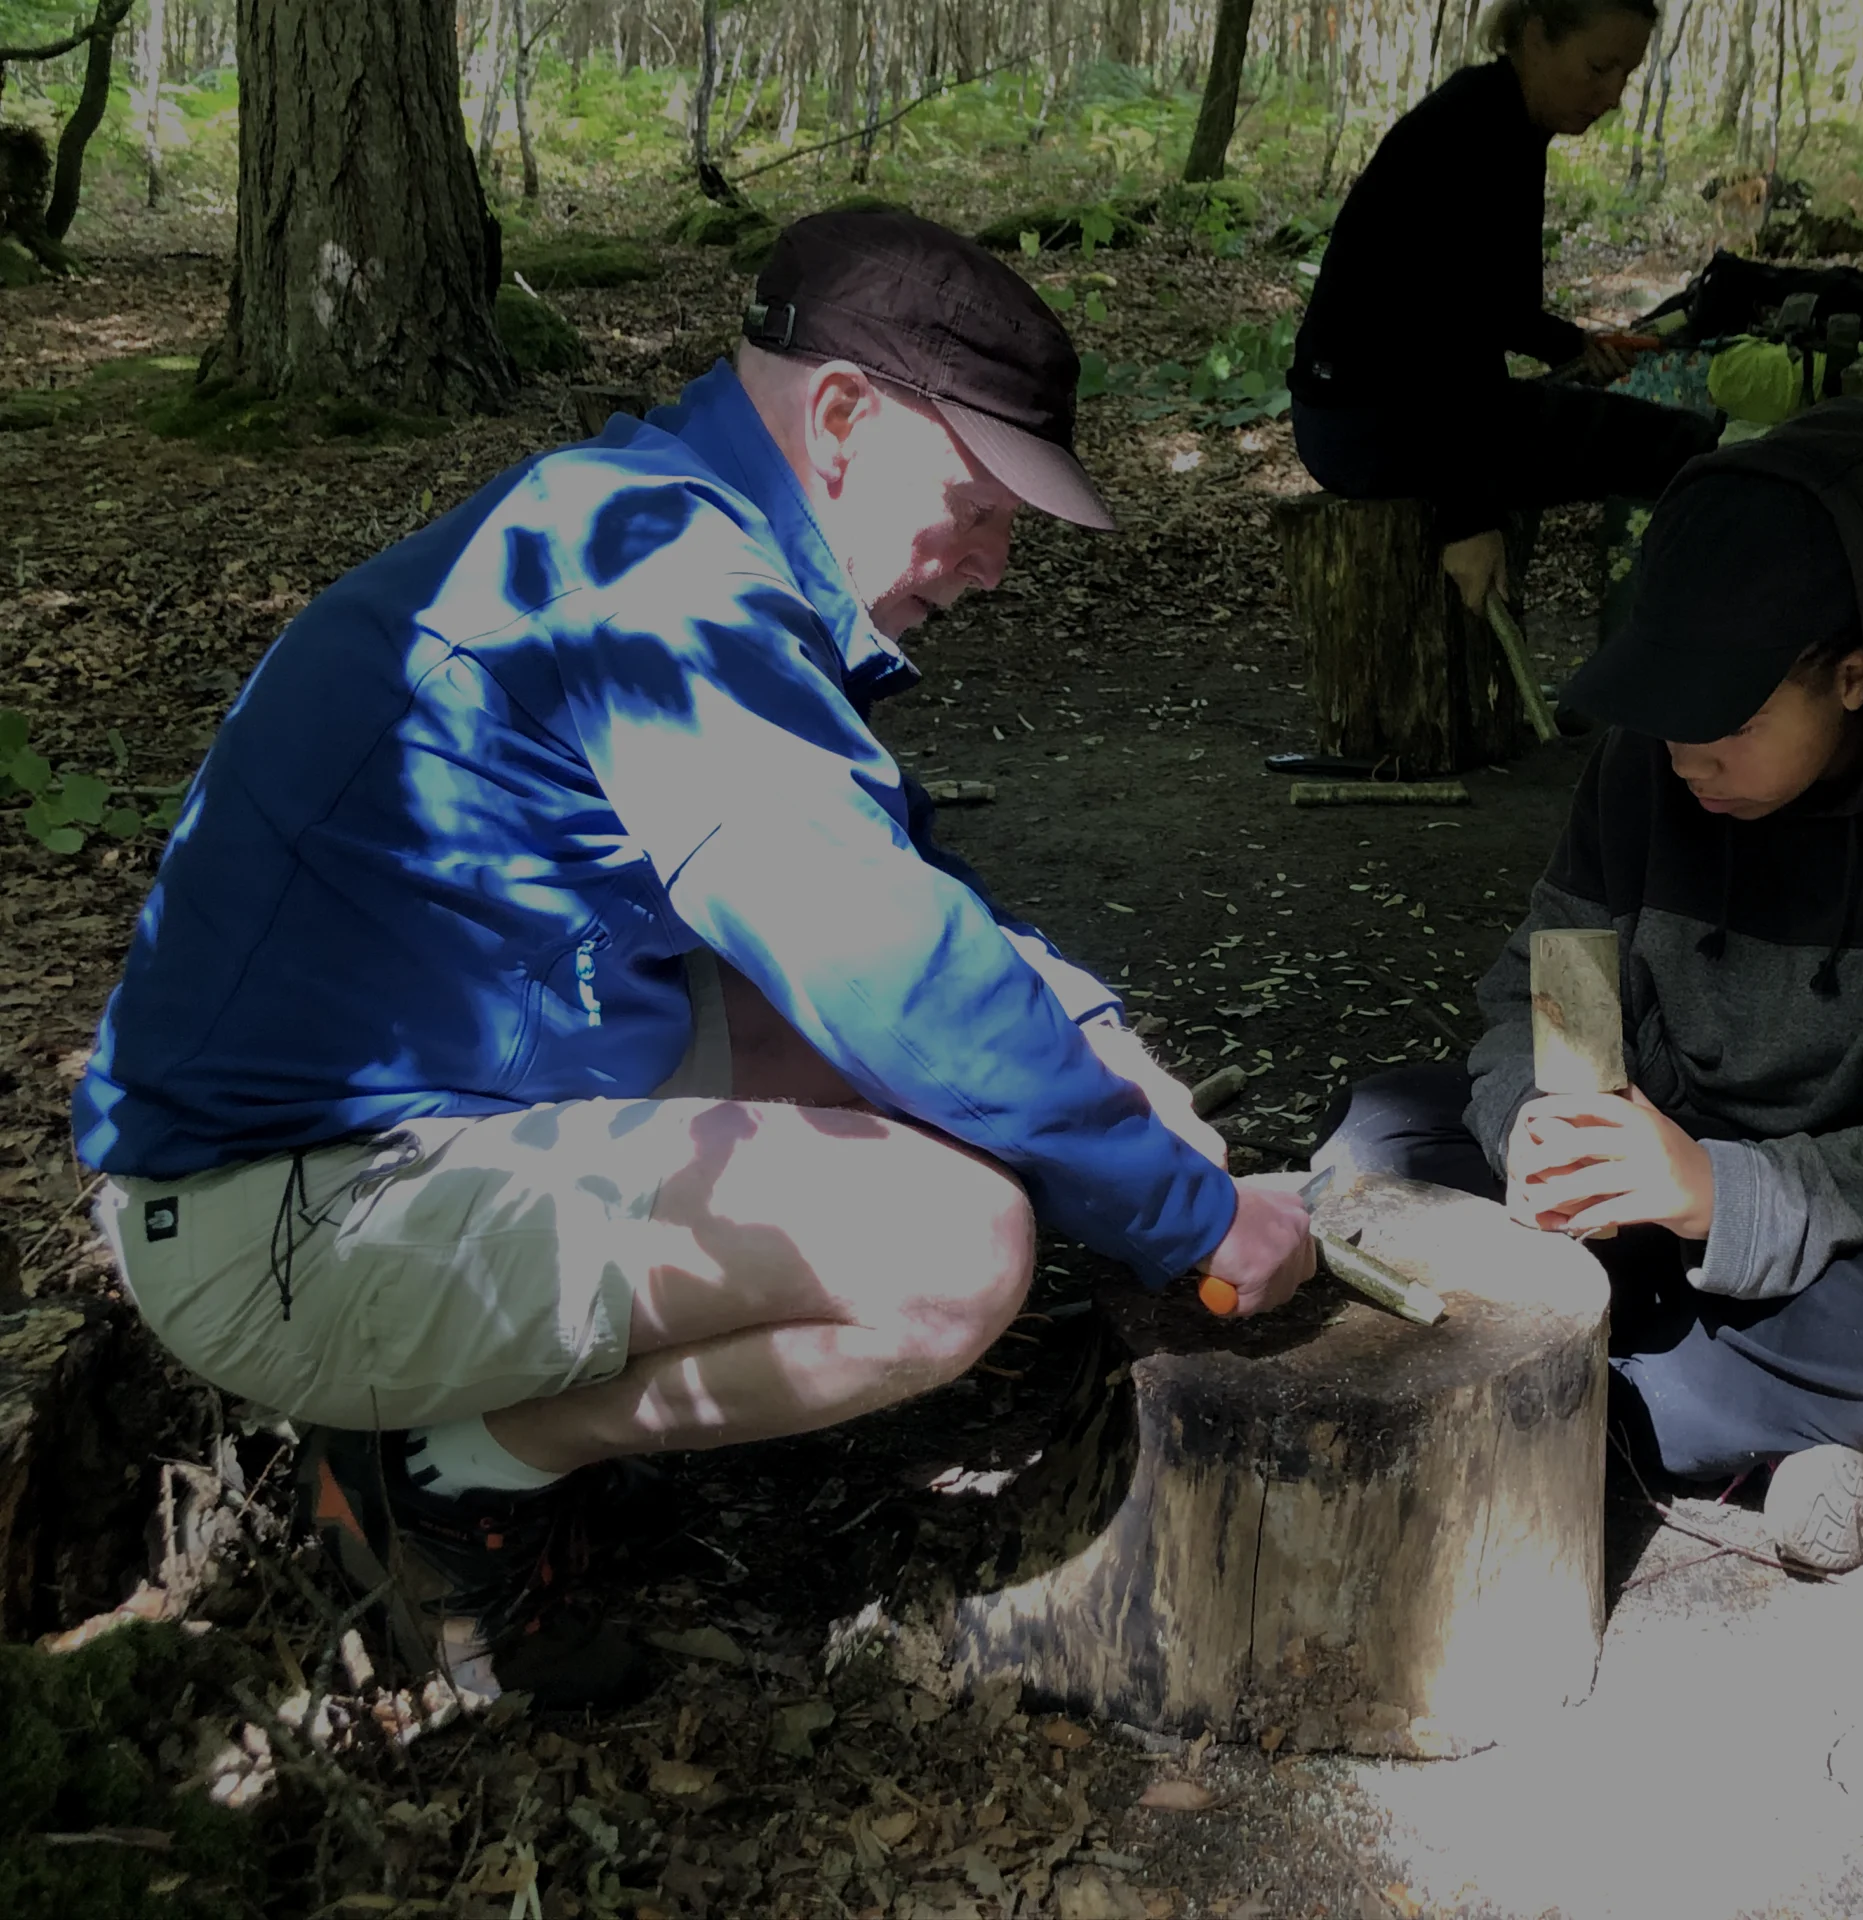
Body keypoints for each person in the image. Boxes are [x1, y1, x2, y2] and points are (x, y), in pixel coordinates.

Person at [72, 210, 1317, 1706]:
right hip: (278, 1220)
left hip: (440, 1087)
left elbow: (902, 886)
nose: (996, 564)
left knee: (930, 1084)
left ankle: (471, 1407)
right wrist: (1191, 1221)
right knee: (954, 1255)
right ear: (845, 418)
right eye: (980, 503)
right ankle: (450, 1472)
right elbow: (890, 967)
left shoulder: (652, 521)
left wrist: (1099, 1043)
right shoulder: (660, 581)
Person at [1314, 402, 1863, 1572]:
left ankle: (1583, 1385)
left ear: (1858, 675)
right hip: (1662, 1179)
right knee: (1380, 1132)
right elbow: (1555, 981)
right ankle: (1710, 1410)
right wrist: (1551, 1122)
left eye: (1731, 724)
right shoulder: (1656, 752)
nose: (1684, 759)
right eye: (1666, 720)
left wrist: (1741, 1195)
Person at [1288, 0, 1724, 614]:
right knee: (1685, 450)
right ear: (1538, 36)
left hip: (1401, 405)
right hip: (1366, 421)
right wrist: (1468, 515)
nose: (1613, 95)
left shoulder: (1513, 123)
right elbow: (1440, 337)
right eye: (1599, 67)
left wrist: (1571, 344)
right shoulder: (1469, 130)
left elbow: (1494, 307)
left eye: (1625, 74)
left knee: (1674, 443)